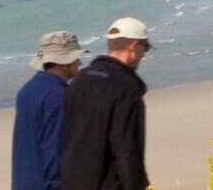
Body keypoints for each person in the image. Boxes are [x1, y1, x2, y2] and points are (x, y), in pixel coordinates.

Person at [62, 17, 153, 190]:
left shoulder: (80, 80)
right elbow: (127, 148)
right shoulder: (126, 88)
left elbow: (66, 136)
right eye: (145, 47)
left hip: (71, 181)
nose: (144, 54)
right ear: (133, 47)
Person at [13, 30, 88, 190]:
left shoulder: (26, 90)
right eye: (76, 58)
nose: (79, 63)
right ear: (66, 61)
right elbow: (54, 151)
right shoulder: (60, 96)